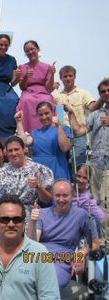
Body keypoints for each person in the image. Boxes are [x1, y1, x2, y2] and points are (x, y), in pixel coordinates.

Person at [28, 180, 100, 292]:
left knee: (45, 283)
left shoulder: (81, 215)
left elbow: (95, 243)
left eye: (65, 195)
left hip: (61, 262)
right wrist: (32, 222)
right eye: (57, 195)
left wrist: (81, 253)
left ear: (72, 196)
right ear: (52, 195)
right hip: (37, 258)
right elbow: (32, 244)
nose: (61, 199)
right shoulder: (42, 213)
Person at [0, 136, 53, 220]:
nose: (13, 153)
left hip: (31, 218)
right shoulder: (0, 174)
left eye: (16, 149)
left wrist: (38, 186)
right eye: (10, 150)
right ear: (6, 152)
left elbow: (47, 200)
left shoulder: (41, 170)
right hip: (8, 219)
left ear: (24, 149)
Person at [53, 65, 103, 165]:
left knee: (79, 164)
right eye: (65, 76)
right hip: (63, 133)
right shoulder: (57, 95)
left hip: (79, 134)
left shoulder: (83, 93)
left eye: (70, 76)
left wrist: (102, 97)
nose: (68, 78)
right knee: (62, 163)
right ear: (61, 78)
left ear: (75, 77)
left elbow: (93, 107)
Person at [78, 78, 109, 236]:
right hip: (96, 165)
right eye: (103, 91)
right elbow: (80, 130)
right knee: (97, 204)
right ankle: (101, 242)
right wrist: (70, 115)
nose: (106, 93)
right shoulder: (96, 114)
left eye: (108, 90)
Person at [15, 102, 73, 180]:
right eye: (41, 115)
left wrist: (58, 126)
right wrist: (19, 122)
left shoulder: (63, 128)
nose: (44, 117)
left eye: (46, 113)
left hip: (58, 171)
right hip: (39, 175)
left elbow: (65, 147)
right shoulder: (35, 132)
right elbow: (23, 142)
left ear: (52, 113)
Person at [16, 40, 56, 133]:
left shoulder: (47, 67)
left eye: (32, 49)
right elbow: (22, 87)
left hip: (43, 91)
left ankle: (49, 130)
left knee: (48, 100)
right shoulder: (22, 67)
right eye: (27, 51)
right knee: (26, 100)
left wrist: (52, 74)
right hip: (28, 91)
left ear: (37, 49)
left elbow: (48, 87)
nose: (30, 52)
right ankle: (27, 131)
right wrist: (26, 76)